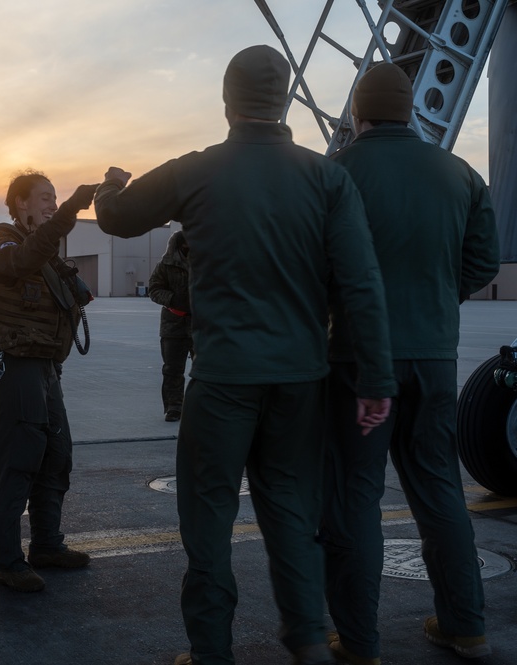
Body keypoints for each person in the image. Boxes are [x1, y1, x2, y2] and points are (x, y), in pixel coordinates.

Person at [94, 45, 397, 665]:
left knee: (207, 519)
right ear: (283, 100)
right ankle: (308, 637)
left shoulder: (198, 170)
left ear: (227, 101)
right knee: (291, 513)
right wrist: (375, 379)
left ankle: (211, 651)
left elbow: (118, 220)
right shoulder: (326, 177)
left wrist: (110, 186)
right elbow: (360, 285)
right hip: (300, 380)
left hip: (224, 377)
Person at [320, 63, 500, 665]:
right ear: (411, 111)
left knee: (355, 498)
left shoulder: (335, 173)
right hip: (434, 359)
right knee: (440, 490)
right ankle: (466, 626)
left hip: (356, 362)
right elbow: (483, 265)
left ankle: (360, 642)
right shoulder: (460, 175)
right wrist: (433, 300)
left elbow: (313, 269)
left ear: (357, 115)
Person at [0, 170, 98, 593]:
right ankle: (7, 561)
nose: (52, 203)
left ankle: (47, 545)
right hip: (16, 367)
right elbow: (21, 259)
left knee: (56, 458)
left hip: (46, 369)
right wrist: (72, 209)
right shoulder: (0, 249)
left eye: (56, 197)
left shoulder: (47, 259)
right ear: (20, 203)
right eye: (44, 197)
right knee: (17, 463)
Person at [148, 230, 193, 422]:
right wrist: (173, 299)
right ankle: (174, 407)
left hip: (202, 325)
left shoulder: (208, 262)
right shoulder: (165, 266)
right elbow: (154, 289)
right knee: (172, 369)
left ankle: (201, 406)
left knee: (206, 369)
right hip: (173, 326)